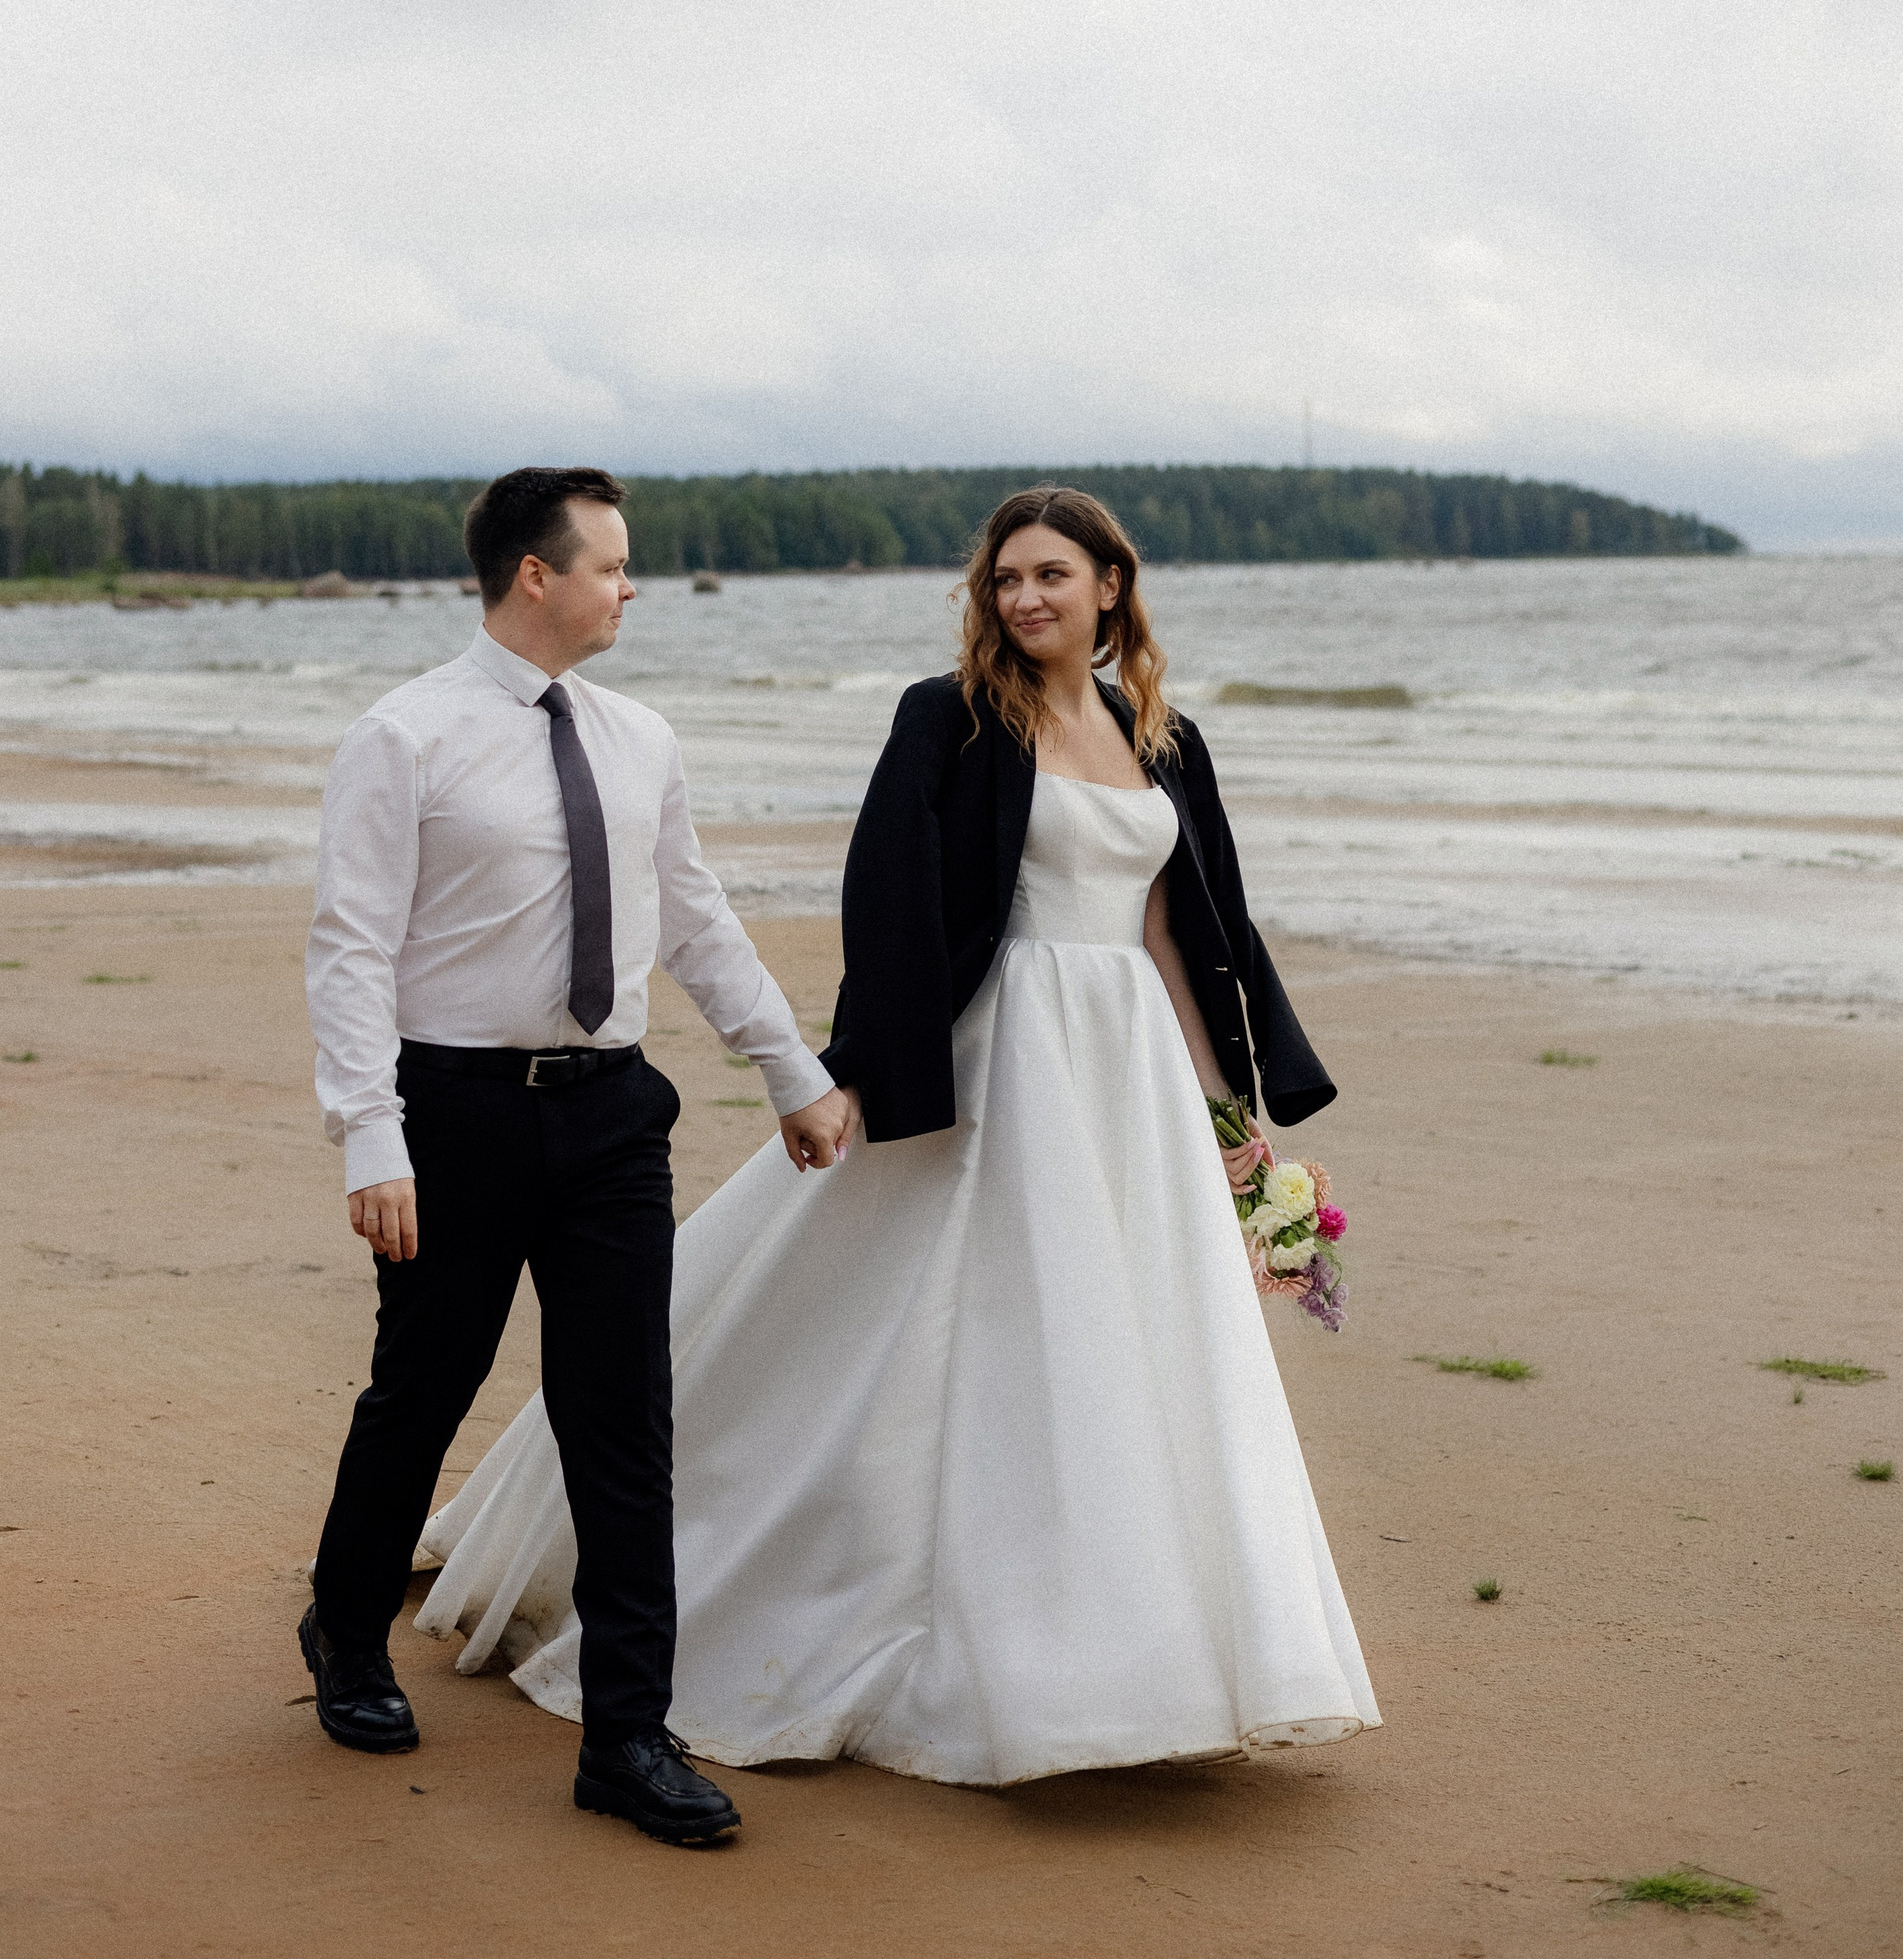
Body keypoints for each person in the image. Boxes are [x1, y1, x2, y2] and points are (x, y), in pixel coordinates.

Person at [416, 486, 1379, 1781]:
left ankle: (1138, 1654)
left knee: (1129, 1337)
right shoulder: (952, 718)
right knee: (940, 1325)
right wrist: (861, 1067)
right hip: (994, 1052)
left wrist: (1228, 1118)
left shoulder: (1163, 736)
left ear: (1110, 586)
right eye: (1005, 579)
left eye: (1051, 575)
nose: (1024, 598)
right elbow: (887, 894)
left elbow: (1181, 931)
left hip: (1129, 1070)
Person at [300, 466, 851, 1847]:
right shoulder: (403, 735)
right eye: (609, 564)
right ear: (534, 575)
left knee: (624, 1418)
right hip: (453, 1114)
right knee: (423, 1387)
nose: (629, 587)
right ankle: (347, 1633)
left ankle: (626, 1737)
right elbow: (352, 948)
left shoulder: (639, 737)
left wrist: (790, 1069)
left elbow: (693, 915)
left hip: (610, 1115)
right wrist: (372, 1136)